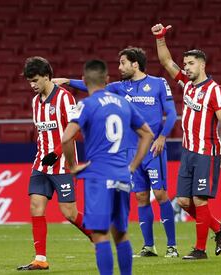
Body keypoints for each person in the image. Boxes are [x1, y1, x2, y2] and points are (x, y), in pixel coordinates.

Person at [53, 47, 179, 258]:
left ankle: (172, 246)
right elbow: (92, 85)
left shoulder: (158, 83)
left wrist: (162, 136)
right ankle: (149, 247)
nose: (119, 67)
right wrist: (66, 81)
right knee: (140, 196)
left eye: (123, 63)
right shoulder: (119, 87)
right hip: (132, 150)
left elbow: (173, 113)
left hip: (154, 149)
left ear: (135, 64)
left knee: (160, 193)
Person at [62, 59, 154, 275]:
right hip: (122, 175)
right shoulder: (123, 103)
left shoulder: (86, 104)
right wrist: (132, 166)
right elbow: (148, 134)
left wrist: (73, 166)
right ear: (108, 80)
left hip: (98, 177)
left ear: (84, 80)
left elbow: (66, 138)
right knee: (121, 233)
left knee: (100, 234)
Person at [151, 24, 221, 260]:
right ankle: (219, 228)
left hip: (207, 152)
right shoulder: (187, 85)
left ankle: (200, 250)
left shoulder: (215, 90)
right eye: (185, 64)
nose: (186, 68)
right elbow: (167, 62)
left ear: (202, 65)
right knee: (183, 200)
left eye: (191, 64)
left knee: (199, 199)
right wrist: (160, 39)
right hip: (188, 151)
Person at [17, 56, 92, 271]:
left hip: (63, 164)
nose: (32, 85)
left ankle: (96, 235)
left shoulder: (65, 98)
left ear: (47, 76)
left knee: (68, 212)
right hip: (41, 163)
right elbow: (42, 132)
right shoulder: (35, 101)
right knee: (35, 206)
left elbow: (73, 129)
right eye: (30, 81)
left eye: (36, 80)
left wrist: (57, 153)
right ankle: (40, 258)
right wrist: (44, 155)